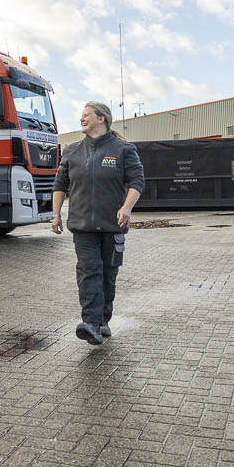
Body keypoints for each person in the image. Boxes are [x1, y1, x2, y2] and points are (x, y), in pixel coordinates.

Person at [52, 101, 144, 345]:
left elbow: (137, 182)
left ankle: (103, 320)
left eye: (86, 115)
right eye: (81, 116)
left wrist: (126, 207)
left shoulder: (123, 149)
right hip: (82, 226)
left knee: (107, 275)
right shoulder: (71, 151)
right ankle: (91, 323)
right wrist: (56, 214)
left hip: (112, 225)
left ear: (101, 118)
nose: (81, 119)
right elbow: (60, 185)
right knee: (88, 271)